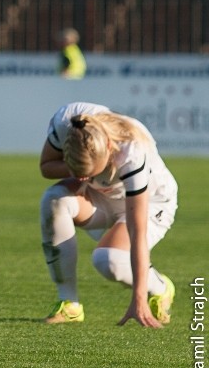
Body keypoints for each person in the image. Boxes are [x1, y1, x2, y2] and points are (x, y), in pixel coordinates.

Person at [38, 101, 177, 327]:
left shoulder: (132, 151)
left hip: (152, 202)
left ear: (109, 148)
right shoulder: (67, 123)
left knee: (109, 260)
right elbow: (46, 166)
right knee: (54, 200)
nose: (84, 178)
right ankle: (69, 303)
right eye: (80, 174)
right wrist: (79, 173)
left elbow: (137, 230)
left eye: (92, 172)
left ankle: (161, 287)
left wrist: (138, 299)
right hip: (100, 197)